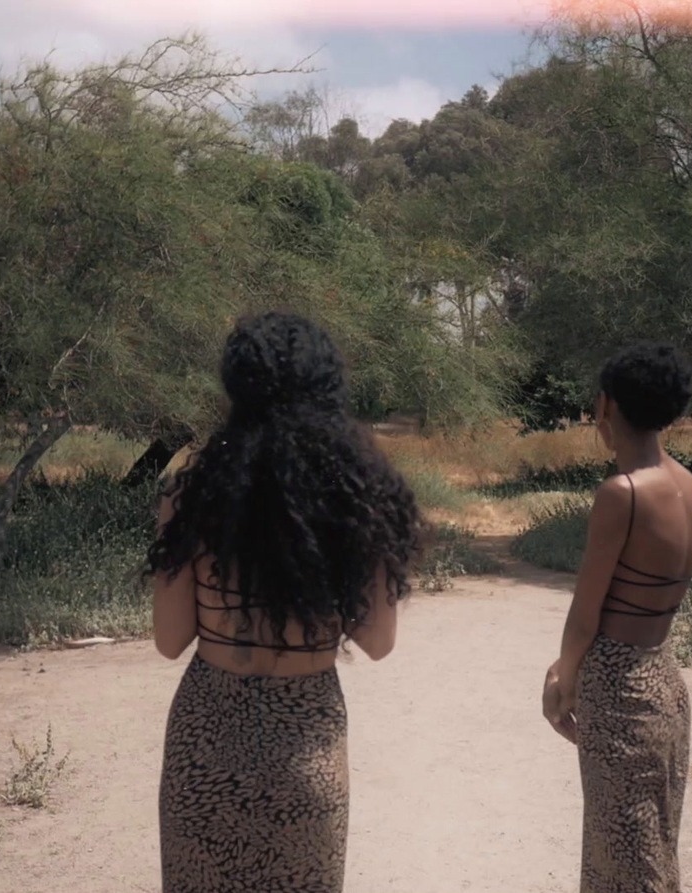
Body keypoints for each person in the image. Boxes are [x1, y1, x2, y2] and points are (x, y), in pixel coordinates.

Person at [145, 312, 422, 893]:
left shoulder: (190, 494)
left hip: (206, 740)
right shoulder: (359, 497)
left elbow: (170, 641)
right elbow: (378, 642)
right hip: (306, 748)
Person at [543, 342, 692, 893]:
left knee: (630, 865)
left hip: (620, 691)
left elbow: (585, 617)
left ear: (604, 406)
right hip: (664, 683)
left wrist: (562, 681)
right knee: (644, 849)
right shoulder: (687, 485)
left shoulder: (623, 494)